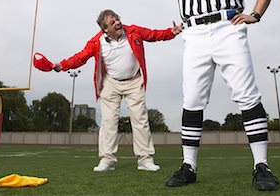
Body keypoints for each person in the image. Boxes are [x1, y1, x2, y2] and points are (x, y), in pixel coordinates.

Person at [92, 0, 279, 190]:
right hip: (194, 32)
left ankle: (261, 167)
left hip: (228, 27)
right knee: (192, 98)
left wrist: (255, 14)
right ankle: (189, 166)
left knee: (246, 93)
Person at [53, 9, 183, 172]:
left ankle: (145, 160)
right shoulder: (96, 42)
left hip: (134, 80)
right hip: (110, 83)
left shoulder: (134, 31)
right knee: (109, 121)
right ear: (105, 29)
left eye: (117, 19)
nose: (118, 22)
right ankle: (107, 160)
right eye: (112, 22)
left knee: (140, 119)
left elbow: (153, 35)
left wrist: (172, 32)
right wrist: (62, 65)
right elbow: (80, 58)